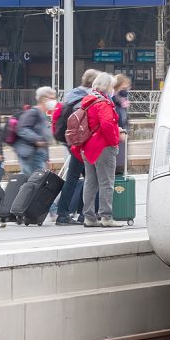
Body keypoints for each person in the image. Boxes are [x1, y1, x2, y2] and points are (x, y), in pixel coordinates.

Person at [52, 69, 100, 225]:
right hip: (83, 144)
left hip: (73, 143)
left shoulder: (72, 95)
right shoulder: (86, 100)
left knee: (75, 179)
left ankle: (66, 214)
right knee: (90, 179)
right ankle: (77, 213)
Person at [80, 73, 124, 227]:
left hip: (87, 147)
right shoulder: (103, 103)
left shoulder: (87, 101)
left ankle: (89, 217)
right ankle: (106, 217)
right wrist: (114, 142)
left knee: (90, 183)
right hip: (103, 147)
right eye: (112, 86)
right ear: (106, 86)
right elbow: (106, 124)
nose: (113, 90)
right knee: (106, 183)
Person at [14, 86, 56, 175]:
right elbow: (21, 129)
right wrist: (37, 139)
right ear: (44, 99)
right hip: (32, 156)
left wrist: (47, 158)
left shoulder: (42, 114)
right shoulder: (33, 112)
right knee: (35, 183)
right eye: (52, 98)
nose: (55, 101)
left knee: (34, 183)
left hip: (37, 155)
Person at [112, 74, 131, 175]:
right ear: (116, 87)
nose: (126, 91)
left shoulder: (122, 103)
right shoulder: (112, 102)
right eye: (124, 88)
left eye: (128, 88)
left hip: (122, 145)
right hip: (115, 145)